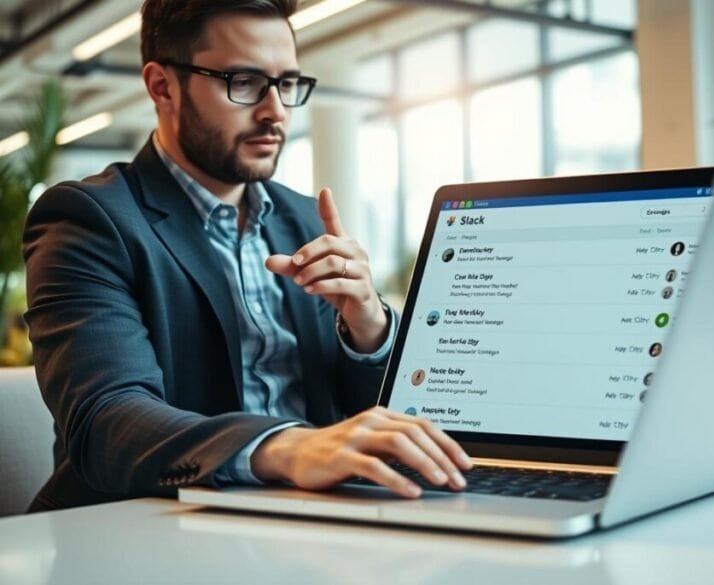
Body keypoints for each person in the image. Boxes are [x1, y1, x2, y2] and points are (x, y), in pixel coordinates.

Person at [22, 0, 469, 513]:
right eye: (243, 81)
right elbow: (106, 420)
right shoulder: (90, 219)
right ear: (162, 87)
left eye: (286, 83)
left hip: (317, 517)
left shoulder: (303, 218)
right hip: (156, 524)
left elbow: (365, 413)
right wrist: (286, 446)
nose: (275, 110)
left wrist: (367, 331)